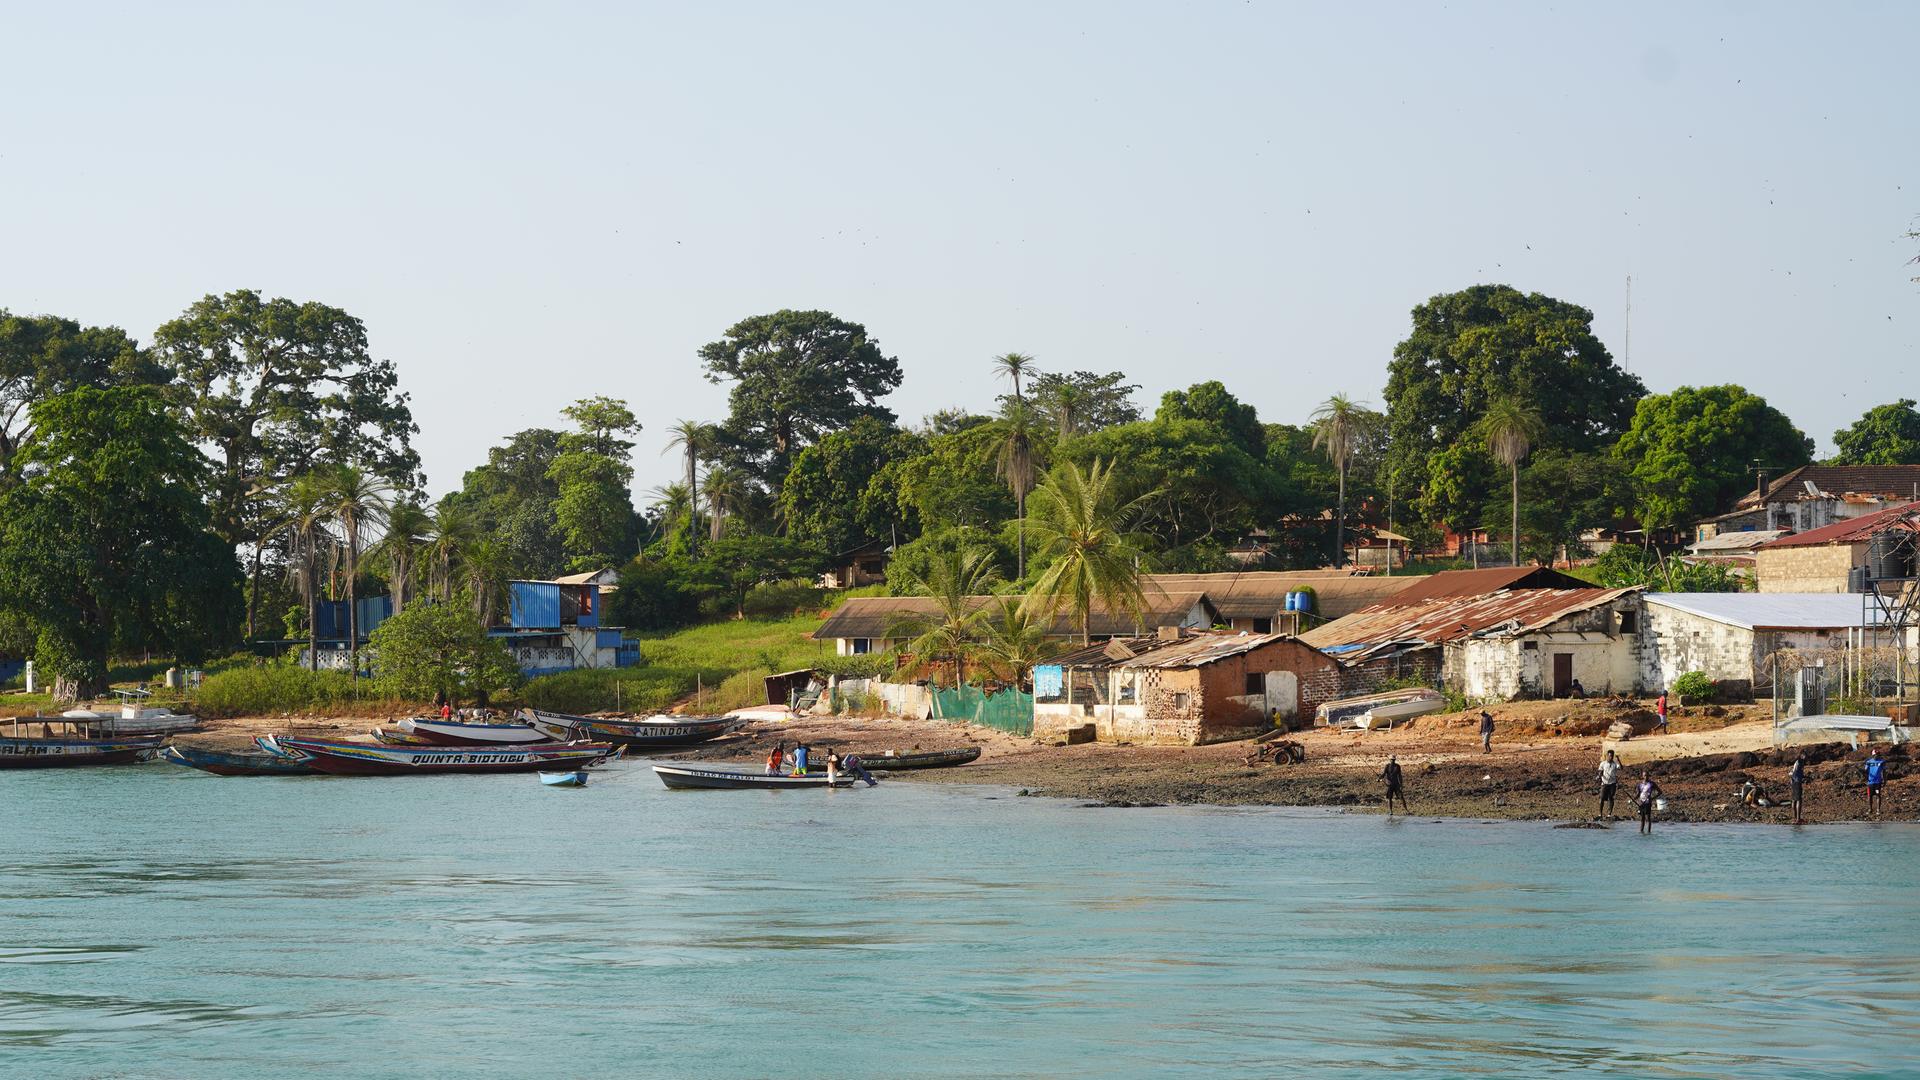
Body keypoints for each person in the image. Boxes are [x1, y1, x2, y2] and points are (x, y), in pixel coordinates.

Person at [1864, 747, 1888, 818]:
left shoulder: (1882, 762)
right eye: (1875, 755)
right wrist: (1865, 779)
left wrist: (1885, 781)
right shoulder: (1868, 762)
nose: (1877, 756)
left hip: (1878, 782)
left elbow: (1884, 772)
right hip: (1870, 782)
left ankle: (1878, 810)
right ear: (1872, 755)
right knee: (1870, 796)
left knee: (1878, 795)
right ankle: (1870, 809)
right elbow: (1865, 771)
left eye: (1878, 754)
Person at [1598, 750, 1621, 819]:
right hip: (1604, 783)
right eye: (1609, 756)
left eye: (1611, 756)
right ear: (1607, 756)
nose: (1610, 757)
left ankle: (1609, 814)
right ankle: (1600, 814)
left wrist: (1618, 760)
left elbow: (1621, 768)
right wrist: (1600, 775)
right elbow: (1600, 771)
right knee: (1601, 798)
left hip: (1612, 784)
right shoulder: (1603, 763)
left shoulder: (1615, 764)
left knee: (1611, 798)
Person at [1789, 753, 1807, 825]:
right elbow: (1794, 771)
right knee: (1798, 800)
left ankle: (1795, 818)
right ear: (1801, 755)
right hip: (1796, 782)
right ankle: (1798, 819)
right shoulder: (1799, 762)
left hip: (1794, 781)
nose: (1805, 757)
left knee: (1794, 799)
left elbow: (1794, 772)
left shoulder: (1799, 762)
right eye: (1804, 755)